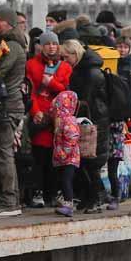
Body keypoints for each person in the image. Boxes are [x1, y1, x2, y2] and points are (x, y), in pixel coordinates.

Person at [0, 9, 27, 217]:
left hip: (6, 107)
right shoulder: (13, 45)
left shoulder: (12, 47)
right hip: (10, 105)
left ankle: (9, 201)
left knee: (2, 155)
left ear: (9, 24)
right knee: (4, 153)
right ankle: (12, 199)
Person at [25, 31, 72, 208]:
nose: (51, 46)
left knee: (56, 157)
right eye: (48, 44)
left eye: (54, 43)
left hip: (58, 117)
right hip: (40, 115)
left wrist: (50, 82)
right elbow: (31, 90)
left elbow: (65, 91)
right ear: (41, 46)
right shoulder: (31, 64)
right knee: (39, 157)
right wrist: (35, 111)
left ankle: (52, 193)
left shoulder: (65, 67)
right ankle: (37, 193)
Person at [62, 39, 109, 212]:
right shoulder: (84, 70)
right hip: (89, 121)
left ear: (75, 54)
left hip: (93, 123)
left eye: (66, 57)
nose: (65, 61)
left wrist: (66, 103)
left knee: (90, 161)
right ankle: (90, 197)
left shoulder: (90, 73)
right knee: (84, 161)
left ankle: (97, 197)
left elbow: (85, 101)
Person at [50, 90, 81, 218]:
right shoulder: (62, 120)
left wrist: (64, 153)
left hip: (69, 158)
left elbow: (72, 139)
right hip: (63, 157)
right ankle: (65, 201)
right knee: (63, 179)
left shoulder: (68, 121)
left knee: (66, 180)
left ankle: (69, 204)